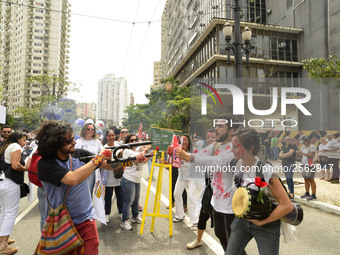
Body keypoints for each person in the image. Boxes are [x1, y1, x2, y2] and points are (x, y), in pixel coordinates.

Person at [36, 120, 112, 255]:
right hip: (62, 222)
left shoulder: (78, 154)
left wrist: (131, 160)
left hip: (86, 219)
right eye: (69, 140)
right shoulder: (44, 164)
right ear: (55, 144)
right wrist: (98, 159)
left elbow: (107, 165)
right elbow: (73, 179)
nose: (74, 142)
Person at [177, 114, 241, 252]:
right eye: (216, 125)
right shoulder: (216, 145)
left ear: (231, 130)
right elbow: (202, 155)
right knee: (220, 234)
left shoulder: (234, 147)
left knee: (234, 244)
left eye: (221, 126)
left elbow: (217, 161)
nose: (216, 129)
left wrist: (189, 157)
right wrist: (181, 153)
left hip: (232, 204)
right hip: (217, 201)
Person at [226, 128, 293, 255]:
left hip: (266, 225)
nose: (231, 150)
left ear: (250, 148)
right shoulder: (236, 164)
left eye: (235, 146)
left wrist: (262, 222)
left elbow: (286, 205)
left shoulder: (265, 170)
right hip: (241, 221)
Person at [0, 132, 27, 255]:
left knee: (4, 211)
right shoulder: (16, 146)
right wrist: (26, 168)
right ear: (18, 139)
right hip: (10, 182)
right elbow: (16, 165)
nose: (25, 142)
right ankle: (3, 245)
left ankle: (2, 239)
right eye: (24, 140)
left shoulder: (6, 146)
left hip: (2, 181)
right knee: (10, 213)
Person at [172, 135, 201, 230]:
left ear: (189, 141)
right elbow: (172, 159)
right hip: (182, 176)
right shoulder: (177, 150)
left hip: (193, 176)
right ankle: (180, 215)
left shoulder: (194, 151)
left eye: (185, 140)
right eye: (181, 140)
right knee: (176, 193)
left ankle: (195, 221)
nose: (183, 142)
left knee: (192, 197)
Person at [120, 134, 147, 231]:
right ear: (128, 142)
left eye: (136, 140)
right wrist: (146, 150)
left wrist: (150, 154)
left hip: (137, 179)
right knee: (128, 201)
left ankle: (135, 217)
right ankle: (124, 221)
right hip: (128, 179)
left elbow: (142, 161)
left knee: (136, 200)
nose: (134, 141)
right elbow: (137, 157)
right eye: (132, 140)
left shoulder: (136, 151)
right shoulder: (127, 151)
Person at [101, 129, 124, 223]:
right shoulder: (104, 148)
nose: (111, 137)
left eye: (113, 135)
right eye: (109, 135)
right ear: (107, 137)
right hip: (108, 175)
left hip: (118, 174)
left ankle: (122, 212)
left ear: (115, 136)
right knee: (108, 196)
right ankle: (106, 214)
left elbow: (122, 158)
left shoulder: (119, 147)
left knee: (120, 195)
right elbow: (103, 160)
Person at [75, 122, 103, 195]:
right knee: (79, 190)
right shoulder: (78, 141)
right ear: (84, 130)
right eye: (88, 129)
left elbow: (102, 154)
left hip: (92, 169)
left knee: (89, 191)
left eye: (92, 129)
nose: (90, 131)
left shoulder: (97, 142)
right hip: (80, 169)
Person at [297, 135, 317, 200]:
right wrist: (299, 154)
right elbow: (302, 155)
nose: (303, 143)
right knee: (305, 179)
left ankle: (313, 194)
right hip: (304, 165)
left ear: (307, 140)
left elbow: (311, 156)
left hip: (310, 165)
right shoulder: (303, 147)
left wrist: (302, 153)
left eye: (304, 141)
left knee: (311, 179)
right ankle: (307, 192)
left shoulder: (312, 146)